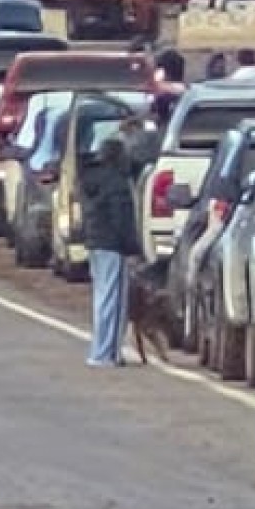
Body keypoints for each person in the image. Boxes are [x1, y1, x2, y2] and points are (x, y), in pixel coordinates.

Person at [80, 136, 143, 367]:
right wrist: (132, 247)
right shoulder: (117, 183)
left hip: (95, 242)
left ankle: (102, 350)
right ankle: (105, 353)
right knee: (113, 300)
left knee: (101, 297)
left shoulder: (90, 179)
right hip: (113, 245)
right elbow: (121, 220)